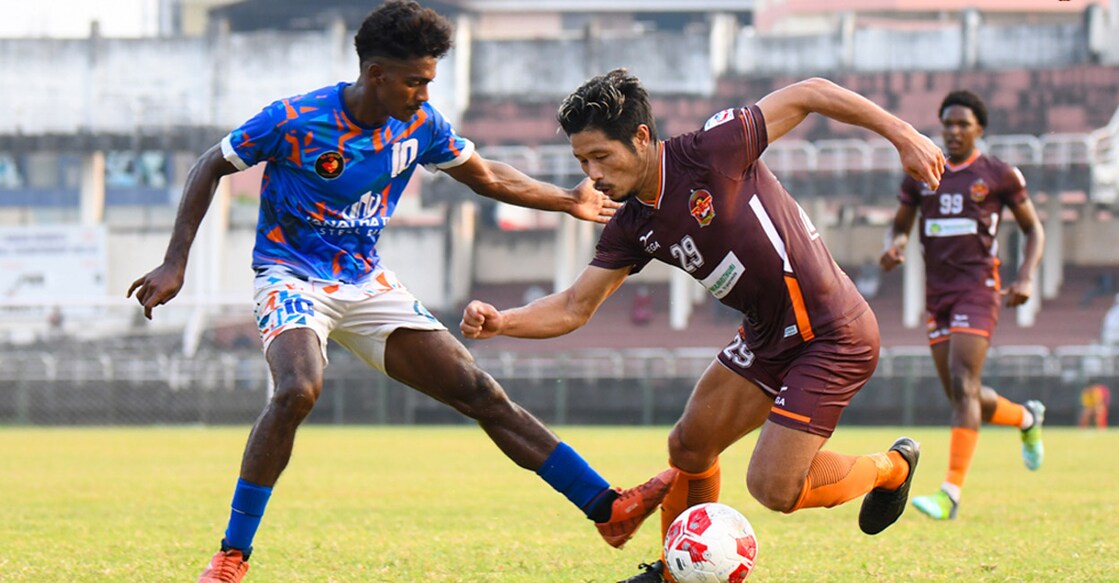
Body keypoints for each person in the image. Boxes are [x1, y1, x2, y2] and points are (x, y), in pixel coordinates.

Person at [127, 4, 672, 582]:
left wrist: (566, 199)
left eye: (429, 81)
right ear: (376, 74)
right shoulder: (293, 119)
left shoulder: (421, 125)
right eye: (416, 81)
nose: (423, 92)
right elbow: (211, 165)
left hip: (366, 281)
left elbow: (487, 176)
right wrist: (174, 261)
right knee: (299, 388)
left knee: (477, 389)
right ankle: (232, 555)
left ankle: (606, 508)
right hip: (291, 276)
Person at [460, 69, 946, 582]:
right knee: (689, 446)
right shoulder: (631, 224)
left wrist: (905, 135)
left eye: (601, 156)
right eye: (582, 161)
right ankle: (675, 573)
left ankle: (892, 469)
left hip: (831, 332)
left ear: (642, 137)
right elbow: (575, 307)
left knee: (774, 488)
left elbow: (812, 93)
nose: (592, 173)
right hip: (765, 334)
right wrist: (502, 322)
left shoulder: (714, 148)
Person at [880, 90, 1046, 522]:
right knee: (962, 393)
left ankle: (949, 493)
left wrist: (1025, 277)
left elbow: (1034, 231)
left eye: (962, 125)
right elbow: (898, 228)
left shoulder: (998, 175)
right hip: (938, 296)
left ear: (979, 129)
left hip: (979, 289)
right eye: (947, 124)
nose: (953, 132)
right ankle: (1026, 418)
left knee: (962, 380)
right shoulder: (921, 172)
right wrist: (894, 247)